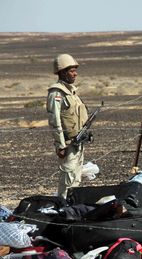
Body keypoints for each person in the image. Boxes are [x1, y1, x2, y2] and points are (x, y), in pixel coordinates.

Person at [46, 54, 88, 198]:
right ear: (62, 72)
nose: (75, 74)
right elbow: (54, 120)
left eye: (75, 70)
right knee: (67, 180)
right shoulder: (56, 93)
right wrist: (60, 145)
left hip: (79, 142)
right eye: (71, 71)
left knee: (76, 179)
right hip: (68, 144)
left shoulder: (72, 92)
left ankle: (71, 208)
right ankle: (63, 208)